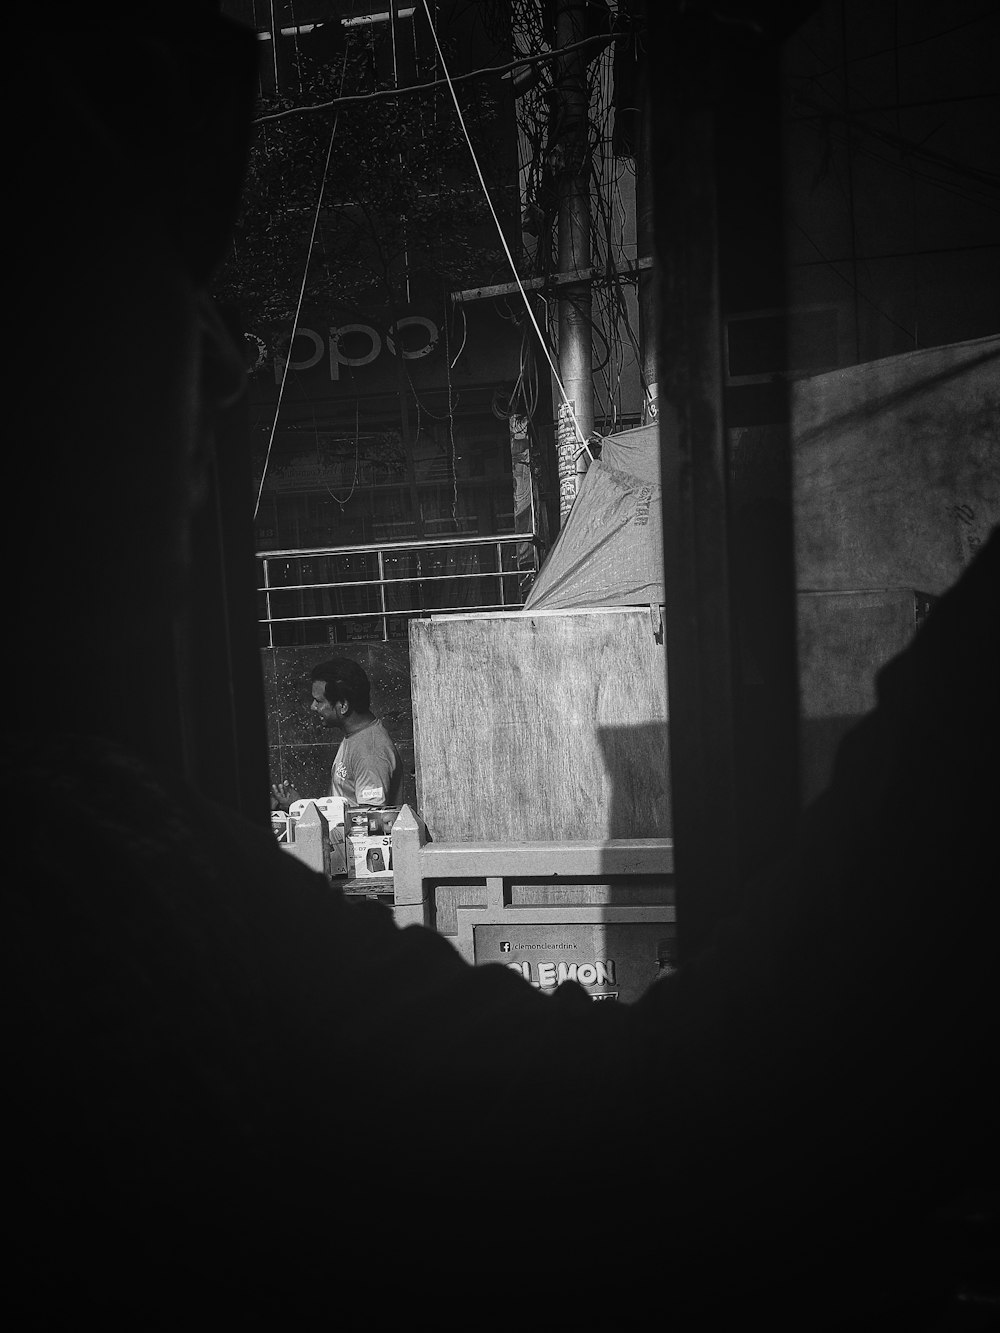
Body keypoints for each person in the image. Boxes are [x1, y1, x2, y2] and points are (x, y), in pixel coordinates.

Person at [5, 7, 997, 1328]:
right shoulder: (100, 885)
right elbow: (696, 1155)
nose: (217, 385)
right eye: (175, 315)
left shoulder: (120, 866)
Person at [270, 657, 403, 811]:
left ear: (343, 705)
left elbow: (368, 823)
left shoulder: (370, 751)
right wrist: (300, 806)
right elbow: (343, 809)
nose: (313, 707)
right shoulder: (355, 736)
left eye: (319, 701)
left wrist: (300, 808)